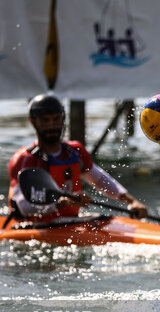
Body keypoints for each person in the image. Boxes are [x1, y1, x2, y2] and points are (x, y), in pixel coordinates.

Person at [8, 93, 147, 221]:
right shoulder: (24, 159)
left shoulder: (75, 151)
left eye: (56, 119)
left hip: (71, 220)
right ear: (33, 122)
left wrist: (131, 201)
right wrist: (62, 202)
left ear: (63, 119)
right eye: (45, 120)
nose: (51, 125)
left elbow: (100, 180)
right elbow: (23, 207)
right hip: (34, 227)